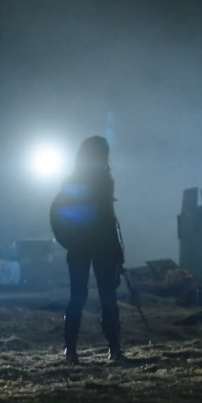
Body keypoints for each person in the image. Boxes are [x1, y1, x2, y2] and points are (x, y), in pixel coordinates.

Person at [50, 136, 125, 364]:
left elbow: (63, 214)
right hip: (98, 247)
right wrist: (117, 254)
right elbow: (107, 220)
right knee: (106, 298)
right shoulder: (103, 181)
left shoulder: (74, 181)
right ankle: (113, 350)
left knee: (79, 298)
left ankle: (71, 350)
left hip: (81, 247)